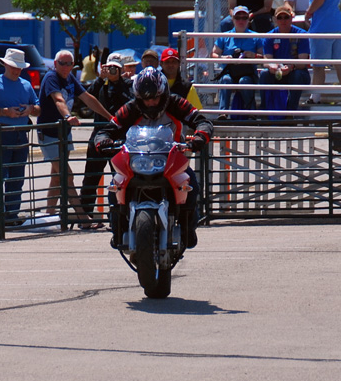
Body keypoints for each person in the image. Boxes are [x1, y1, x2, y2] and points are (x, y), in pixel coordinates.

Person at [100, 68, 212, 250]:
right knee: (115, 186)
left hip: (171, 159)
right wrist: (102, 140)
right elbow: (109, 128)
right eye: (146, 99)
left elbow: (202, 121)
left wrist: (200, 137)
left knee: (193, 187)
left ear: (164, 94)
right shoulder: (130, 108)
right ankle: (117, 228)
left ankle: (188, 229)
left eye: (155, 98)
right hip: (136, 159)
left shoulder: (176, 103)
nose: (150, 103)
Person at [36, 49, 113, 219]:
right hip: (49, 133)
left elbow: (88, 98)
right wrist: (68, 116)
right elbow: (58, 100)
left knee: (57, 176)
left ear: (73, 65)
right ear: (55, 64)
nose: (65, 67)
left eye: (69, 63)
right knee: (66, 175)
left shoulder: (70, 78)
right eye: (62, 63)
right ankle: (82, 218)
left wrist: (110, 117)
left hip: (64, 133)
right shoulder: (51, 78)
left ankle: (49, 216)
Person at [0, 48, 40, 227]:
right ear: (5, 64)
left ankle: (11, 213)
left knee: (16, 176)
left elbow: (37, 107)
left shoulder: (26, 85)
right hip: (1, 132)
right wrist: (4, 112)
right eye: (13, 66)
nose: (16, 70)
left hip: (20, 134)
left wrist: (30, 110)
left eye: (19, 67)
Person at [81, 52, 134, 227]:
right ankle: (85, 215)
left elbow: (131, 102)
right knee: (91, 176)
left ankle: (118, 216)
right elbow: (86, 98)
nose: (112, 72)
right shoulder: (99, 85)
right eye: (109, 68)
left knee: (119, 177)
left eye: (115, 69)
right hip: (99, 135)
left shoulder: (128, 85)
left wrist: (120, 83)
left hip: (119, 137)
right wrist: (100, 79)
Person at [259, 6, 312, 114]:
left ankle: (291, 112)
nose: (283, 20)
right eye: (280, 18)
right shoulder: (269, 36)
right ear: (275, 19)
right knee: (264, 74)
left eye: (286, 17)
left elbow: (302, 62)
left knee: (297, 76)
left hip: (297, 72)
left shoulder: (301, 35)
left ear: (291, 18)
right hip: (277, 71)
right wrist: (272, 66)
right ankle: (263, 111)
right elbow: (267, 60)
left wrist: (291, 67)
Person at [212, 6, 264, 111]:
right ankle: (223, 113)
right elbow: (214, 53)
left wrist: (252, 55)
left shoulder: (256, 36)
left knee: (244, 81)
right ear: (233, 19)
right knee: (226, 80)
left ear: (248, 19)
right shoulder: (224, 36)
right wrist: (223, 57)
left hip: (248, 73)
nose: (241, 20)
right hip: (228, 71)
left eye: (244, 17)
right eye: (237, 17)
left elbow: (264, 57)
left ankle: (251, 112)